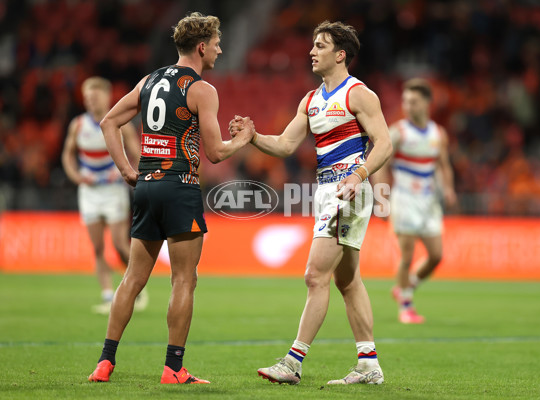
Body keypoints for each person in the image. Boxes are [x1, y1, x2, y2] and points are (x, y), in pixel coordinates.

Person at [87, 13, 254, 384]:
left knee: (132, 277)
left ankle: (105, 362)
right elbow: (215, 152)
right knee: (184, 280)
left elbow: (108, 122)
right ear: (201, 46)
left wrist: (128, 171)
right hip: (180, 187)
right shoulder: (202, 89)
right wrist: (244, 139)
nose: (219, 49)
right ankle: (173, 368)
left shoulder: (149, 80)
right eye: (216, 43)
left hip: (146, 184)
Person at [231, 21, 392, 385]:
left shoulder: (358, 94)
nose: (312, 51)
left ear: (340, 54)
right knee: (348, 281)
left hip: (348, 191)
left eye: (321, 45)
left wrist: (359, 174)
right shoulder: (311, 99)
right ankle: (368, 365)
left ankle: (292, 362)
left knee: (314, 275)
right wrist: (253, 136)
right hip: (327, 191)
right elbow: (286, 144)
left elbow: (384, 142)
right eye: (312, 45)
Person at [62, 77, 147, 315]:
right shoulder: (78, 125)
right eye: (87, 96)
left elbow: (137, 154)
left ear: (107, 97)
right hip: (89, 191)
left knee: (120, 245)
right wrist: (77, 177)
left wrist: (132, 174)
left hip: (113, 191)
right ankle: (108, 295)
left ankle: (137, 286)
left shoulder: (120, 124)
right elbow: (67, 156)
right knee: (98, 247)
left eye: (95, 96)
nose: (91, 100)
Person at [376, 78, 456, 324]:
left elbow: (443, 165)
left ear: (427, 103)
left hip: (428, 200)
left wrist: (449, 189)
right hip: (405, 199)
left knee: (435, 255)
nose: (408, 106)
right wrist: (382, 197)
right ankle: (406, 307)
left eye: (414, 101)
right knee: (407, 254)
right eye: (406, 101)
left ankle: (405, 286)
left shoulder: (437, 133)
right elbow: (380, 164)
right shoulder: (398, 132)